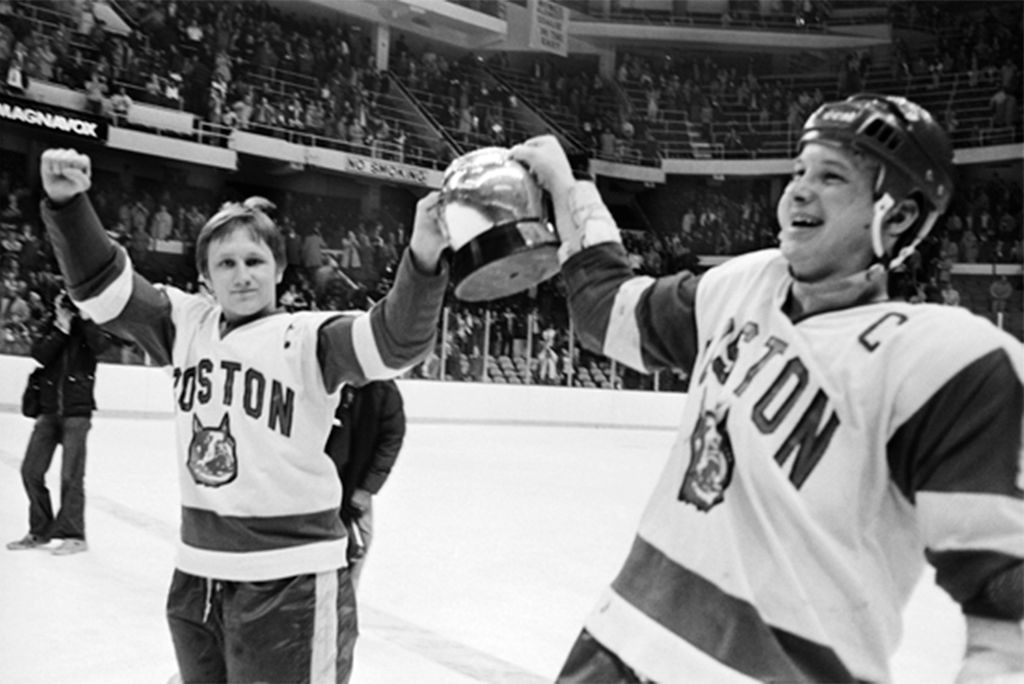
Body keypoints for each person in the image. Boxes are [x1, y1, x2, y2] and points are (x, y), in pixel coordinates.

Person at [510, 94, 1023, 683]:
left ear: (899, 216)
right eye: (799, 172)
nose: (798, 191)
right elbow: (607, 312)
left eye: (832, 177)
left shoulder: (943, 360)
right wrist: (568, 185)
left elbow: (1002, 612)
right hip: (616, 647)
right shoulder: (743, 285)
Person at [37, 147, 449, 683]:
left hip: (292, 580)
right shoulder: (184, 324)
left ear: (279, 267)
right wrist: (68, 205)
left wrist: (424, 253)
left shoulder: (309, 338)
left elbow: (397, 341)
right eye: (225, 264)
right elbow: (101, 288)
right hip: (198, 576)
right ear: (205, 276)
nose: (242, 276)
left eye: (255, 262)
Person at [7, 290, 110, 555]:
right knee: (31, 470)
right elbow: (39, 354)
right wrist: (61, 328)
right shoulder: (52, 324)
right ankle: (39, 531)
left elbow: (101, 346)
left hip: (77, 412)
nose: (66, 306)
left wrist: (85, 317)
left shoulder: (90, 325)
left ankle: (75, 535)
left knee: (71, 476)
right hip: (48, 411)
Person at [324, 378, 406, 589]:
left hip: (353, 485)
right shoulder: (324, 374)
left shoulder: (383, 389)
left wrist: (367, 487)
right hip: (318, 485)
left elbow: (391, 438)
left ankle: (344, 609)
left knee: (358, 546)